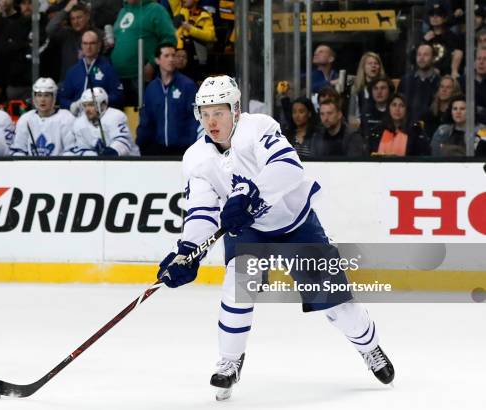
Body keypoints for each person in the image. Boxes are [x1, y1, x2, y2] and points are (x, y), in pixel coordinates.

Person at [156, 75, 394, 400]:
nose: (212, 120)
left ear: (236, 110)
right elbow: (201, 211)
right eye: (205, 112)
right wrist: (188, 250)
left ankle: (370, 347)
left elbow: (290, 166)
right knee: (237, 289)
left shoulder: (258, 127)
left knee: (336, 305)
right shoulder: (197, 158)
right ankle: (229, 361)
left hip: (295, 223)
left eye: (219, 112)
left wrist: (251, 194)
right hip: (250, 231)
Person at [110, 0, 177, 106]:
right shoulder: (123, 11)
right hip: (118, 78)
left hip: (142, 78)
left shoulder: (156, 10)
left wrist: (152, 62)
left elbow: (169, 39)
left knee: (143, 115)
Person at [136, 43, 198, 155]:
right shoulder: (151, 88)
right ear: (157, 60)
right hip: (157, 149)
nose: (171, 59)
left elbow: (194, 119)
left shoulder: (187, 85)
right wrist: (140, 145)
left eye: (173, 55)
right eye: (166, 56)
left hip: (183, 149)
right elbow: (146, 119)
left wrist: (193, 146)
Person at [58, 30, 124, 112]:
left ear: (99, 45)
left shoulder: (108, 69)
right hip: (78, 119)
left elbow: (118, 95)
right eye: (85, 43)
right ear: (81, 46)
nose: (88, 47)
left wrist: (100, 100)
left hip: (101, 118)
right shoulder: (73, 71)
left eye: (92, 43)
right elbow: (63, 98)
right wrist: (72, 105)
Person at [10, 77, 76, 156]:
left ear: (54, 97)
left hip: (58, 167)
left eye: (46, 95)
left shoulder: (66, 118)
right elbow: (18, 150)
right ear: (34, 97)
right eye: (39, 95)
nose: (42, 99)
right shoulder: (26, 119)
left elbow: (71, 152)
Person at [68, 87, 139, 156]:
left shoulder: (115, 116)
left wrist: (111, 152)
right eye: (85, 105)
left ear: (103, 104)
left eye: (91, 105)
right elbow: (82, 149)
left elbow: (123, 142)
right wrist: (96, 155)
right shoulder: (80, 123)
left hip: (127, 163)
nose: (87, 109)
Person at [45, 1, 100, 80]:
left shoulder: (97, 34)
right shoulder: (67, 33)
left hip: (91, 82)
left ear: (87, 16)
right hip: (68, 83)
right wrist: (66, 10)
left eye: (79, 17)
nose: (76, 22)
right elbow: (50, 29)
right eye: (73, 19)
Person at [398, 43, 440, 125]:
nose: (421, 58)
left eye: (426, 55)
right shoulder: (406, 80)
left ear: (433, 58)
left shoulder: (439, 82)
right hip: (407, 126)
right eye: (419, 54)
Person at [173, 0, 216, 79]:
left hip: (197, 58)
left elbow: (211, 36)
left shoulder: (204, 14)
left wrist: (191, 29)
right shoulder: (179, 10)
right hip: (180, 54)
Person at [423, 2, 464, 78]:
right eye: (432, 15)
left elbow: (453, 57)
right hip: (427, 75)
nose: (434, 18)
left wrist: (439, 69)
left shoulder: (453, 37)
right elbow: (416, 58)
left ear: (444, 18)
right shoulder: (424, 37)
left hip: (446, 76)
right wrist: (424, 41)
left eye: (438, 15)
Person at [348, 52, 386, 128]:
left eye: (376, 63)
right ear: (363, 67)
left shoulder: (386, 88)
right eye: (370, 63)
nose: (373, 66)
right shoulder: (357, 89)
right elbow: (352, 118)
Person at [422, 75, 461, 139]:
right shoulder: (428, 114)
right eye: (442, 87)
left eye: (448, 87)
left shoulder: (456, 114)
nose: (444, 90)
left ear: (455, 91)